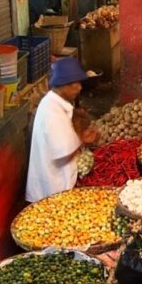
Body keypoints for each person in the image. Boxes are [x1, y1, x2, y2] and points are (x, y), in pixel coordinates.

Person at [25, 57, 98, 203]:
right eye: (74, 83)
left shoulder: (55, 104)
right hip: (52, 188)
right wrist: (84, 139)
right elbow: (64, 151)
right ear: (62, 85)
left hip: (55, 183)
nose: (79, 87)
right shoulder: (52, 114)